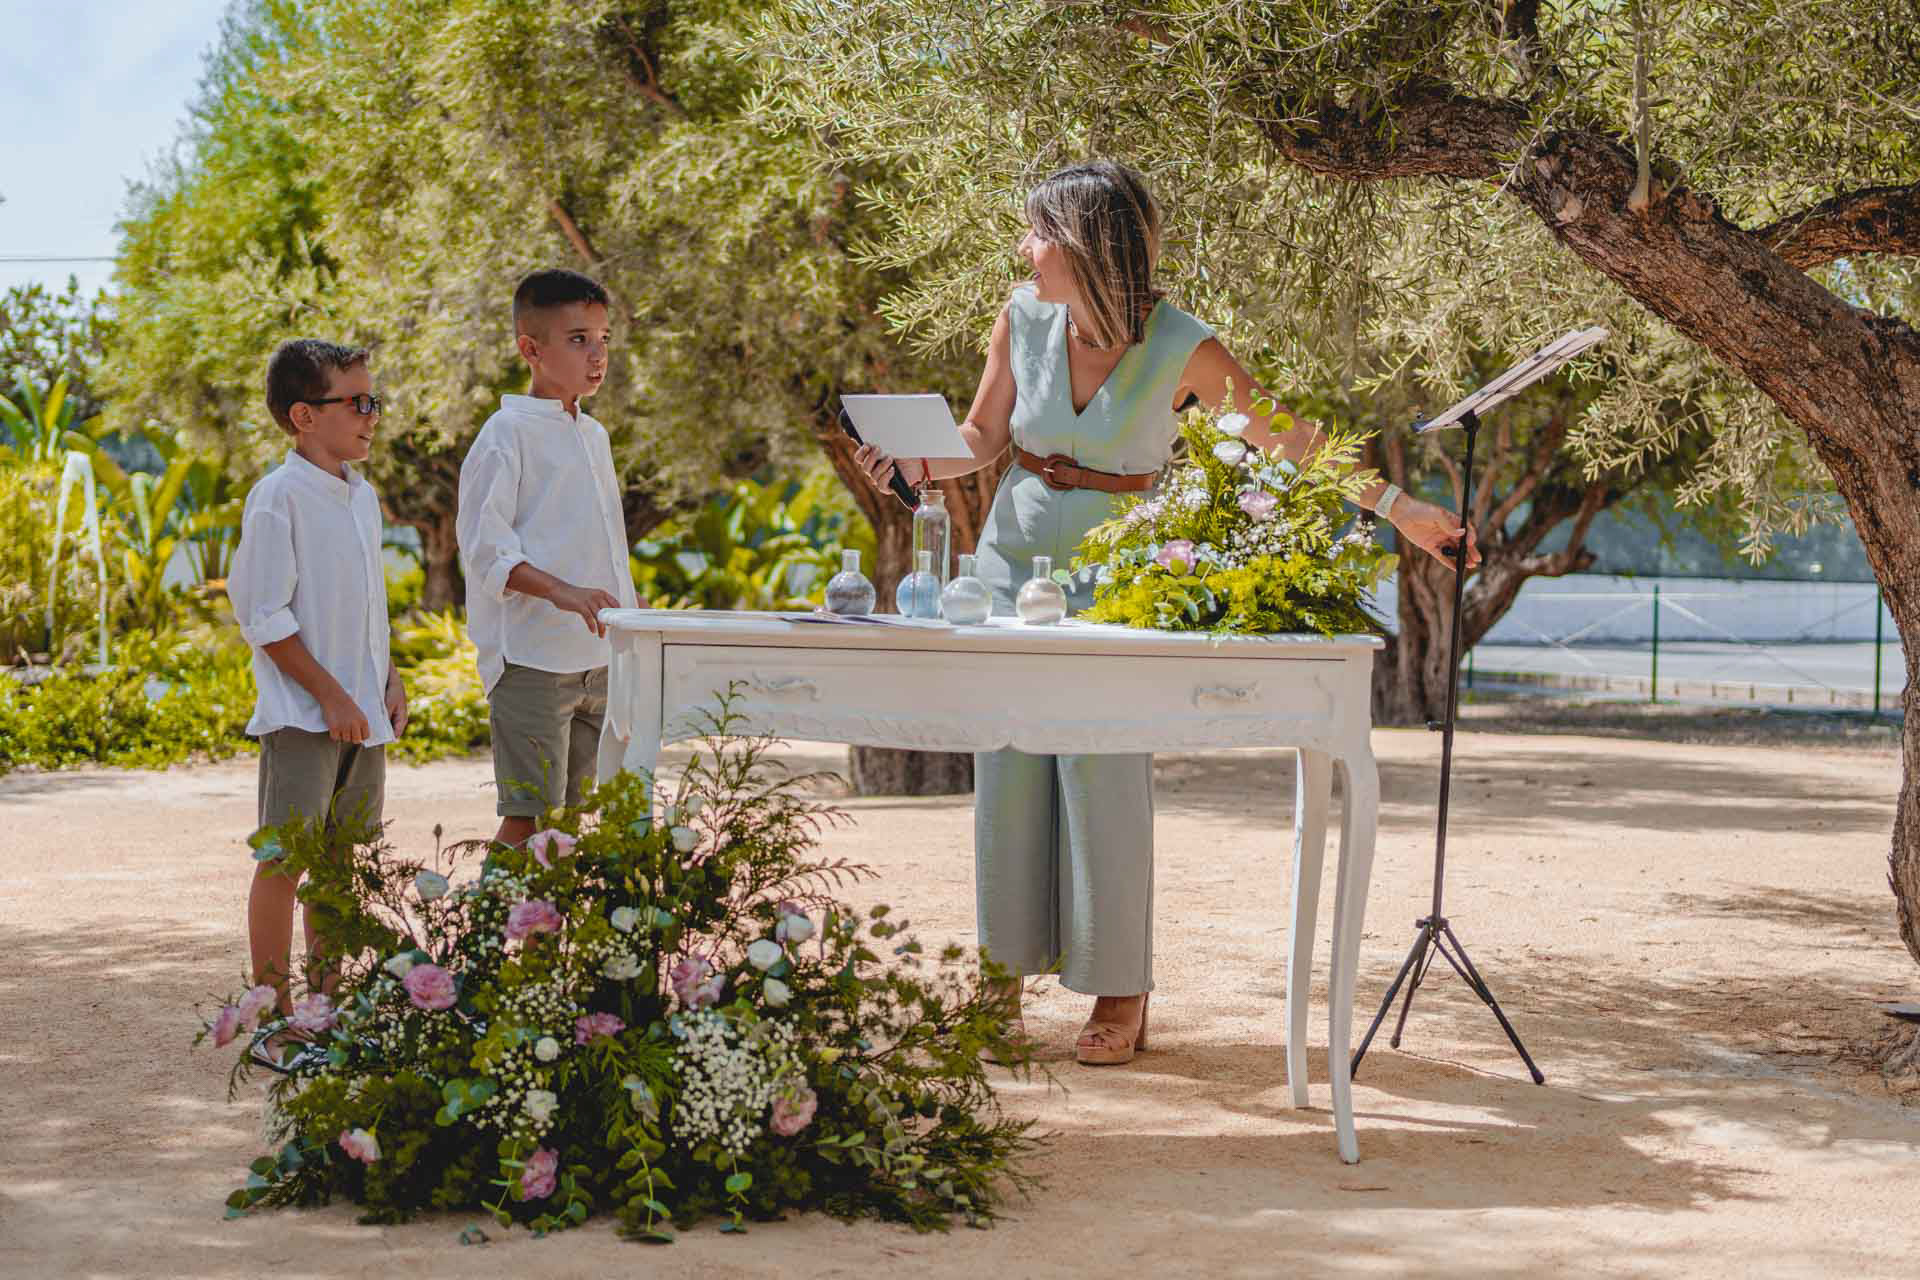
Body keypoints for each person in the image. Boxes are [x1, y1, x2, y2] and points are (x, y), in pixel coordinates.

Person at [854, 161, 1478, 1065]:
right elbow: (982, 441)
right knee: (1008, 771)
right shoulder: (1020, 319)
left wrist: (1405, 511)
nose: (1023, 251)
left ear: (1082, 246)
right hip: (1006, 561)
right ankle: (1001, 978)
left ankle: (1121, 990)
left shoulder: (1185, 345)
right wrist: (911, 459)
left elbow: (1294, 442)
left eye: (1036, 235)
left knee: (1102, 772)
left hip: (1118, 571)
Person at [229, 339, 407, 1054]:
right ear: (304, 415)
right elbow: (263, 617)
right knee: (283, 862)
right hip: (306, 717)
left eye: (375, 401)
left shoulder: (361, 498)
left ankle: (324, 1015)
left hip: (360, 716)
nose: (371, 415)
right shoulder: (277, 500)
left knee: (342, 867)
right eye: (356, 402)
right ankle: (272, 1023)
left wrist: (388, 679)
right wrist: (330, 694)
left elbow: (368, 607)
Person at [457, 268, 637, 848]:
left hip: (599, 656)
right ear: (530, 349)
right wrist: (565, 592)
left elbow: (605, 546)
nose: (597, 354)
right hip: (531, 660)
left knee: (571, 823)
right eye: (579, 339)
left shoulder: (595, 436)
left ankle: (547, 939)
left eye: (604, 338)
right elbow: (486, 551)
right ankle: (483, 939)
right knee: (526, 819)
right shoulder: (504, 434)